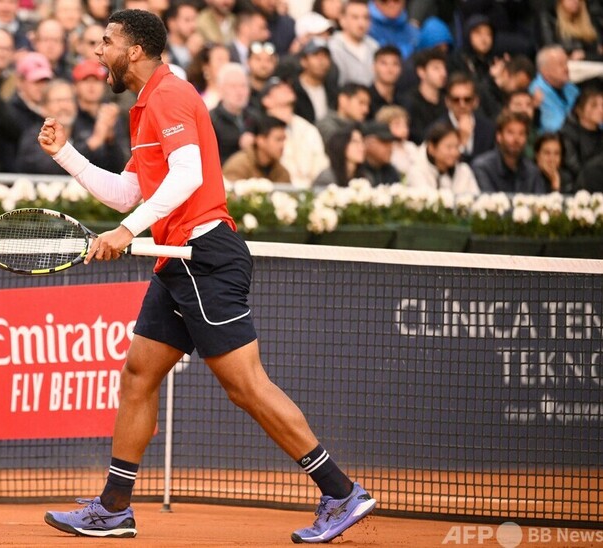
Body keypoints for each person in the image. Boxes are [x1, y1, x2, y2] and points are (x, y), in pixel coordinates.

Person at [37, 9, 376, 542]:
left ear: (134, 51)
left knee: (246, 387)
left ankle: (340, 491)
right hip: (176, 260)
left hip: (203, 256)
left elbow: (188, 175)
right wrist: (67, 155)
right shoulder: (144, 108)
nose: (97, 51)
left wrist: (126, 232)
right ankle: (114, 507)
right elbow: (129, 193)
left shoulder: (171, 95)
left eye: (106, 42)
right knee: (138, 374)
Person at [259, 76, 329, 188]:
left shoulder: (307, 128)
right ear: (267, 100)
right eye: (278, 87)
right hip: (277, 188)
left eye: (287, 86)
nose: (286, 87)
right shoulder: (259, 129)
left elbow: (321, 164)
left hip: (311, 191)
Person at [471, 111, 547, 194]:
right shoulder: (483, 167)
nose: (516, 139)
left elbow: (539, 200)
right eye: (510, 133)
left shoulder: (532, 171)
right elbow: (489, 200)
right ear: (499, 136)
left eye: (521, 134)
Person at [15, 78, 77, 173]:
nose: (64, 106)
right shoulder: (34, 138)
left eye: (68, 100)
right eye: (58, 101)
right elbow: (45, 167)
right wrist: (90, 146)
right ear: (43, 108)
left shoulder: (85, 134)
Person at [406, 121, 480, 194]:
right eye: (449, 147)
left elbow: (476, 197)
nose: (454, 152)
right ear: (432, 148)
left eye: (457, 147)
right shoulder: (417, 172)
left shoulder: (464, 170)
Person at [439, 72, 495, 163]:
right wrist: (462, 140)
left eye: (467, 99)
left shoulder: (488, 129)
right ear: (447, 102)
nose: (462, 105)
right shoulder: (438, 129)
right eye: (456, 100)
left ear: (476, 102)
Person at [210, 62, 259, 164]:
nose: (239, 92)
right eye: (233, 86)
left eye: (243, 86)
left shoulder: (256, 117)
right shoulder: (211, 120)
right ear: (220, 89)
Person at [222, 115, 291, 182]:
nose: (282, 145)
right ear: (260, 140)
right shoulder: (238, 166)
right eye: (278, 139)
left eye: (284, 139)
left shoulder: (281, 172)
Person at [400, 48, 448, 144]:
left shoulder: (448, 100)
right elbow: (416, 136)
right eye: (436, 68)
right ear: (421, 72)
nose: (443, 73)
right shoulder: (409, 101)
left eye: (444, 68)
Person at [529, 45, 580, 133]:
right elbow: (553, 126)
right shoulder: (535, 91)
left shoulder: (572, 89)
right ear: (544, 69)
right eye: (560, 64)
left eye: (566, 63)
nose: (566, 68)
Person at [329, 0, 379, 87]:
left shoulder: (374, 46)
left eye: (366, 18)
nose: (361, 23)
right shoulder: (332, 47)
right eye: (355, 17)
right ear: (342, 20)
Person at [558, 85, 603, 180]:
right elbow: (573, 166)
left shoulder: (600, 135)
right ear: (579, 110)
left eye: (602, 105)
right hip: (577, 182)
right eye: (594, 105)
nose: (601, 110)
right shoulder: (567, 134)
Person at [292, 37, 336, 124]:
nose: (321, 61)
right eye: (316, 55)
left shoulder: (332, 90)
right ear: (304, 61)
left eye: (325, 56)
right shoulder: (292, 89)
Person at [316, 82, 371, 146]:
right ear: (343, 100)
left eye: (367, 105)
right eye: (361, 103)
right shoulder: (325, 126)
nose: (366, 110)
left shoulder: (362, 128)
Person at [374, 104, 417, 178]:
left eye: (405, 125)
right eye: (397, 125)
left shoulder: (411, 146)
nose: (404, 129)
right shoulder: (386, 150)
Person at [361, 119, 401, 185]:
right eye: (385, 142)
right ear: (367, 143)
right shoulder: (357, 171)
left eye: (391, 143)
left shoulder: (391, 172)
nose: (390, 148)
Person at [367, 44, 402, 118]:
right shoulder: (366, 99)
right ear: (374, 67)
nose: (390, 69)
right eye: (384, 63)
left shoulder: (404, 98)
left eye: (395, 64)